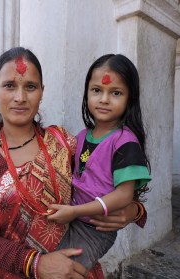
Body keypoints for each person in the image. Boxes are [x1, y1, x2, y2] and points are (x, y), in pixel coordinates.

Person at [0, 47, 147, 279]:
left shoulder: (63, 143)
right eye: (9, 86)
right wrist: (35, 263)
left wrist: (133, 210)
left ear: (42, 92)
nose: (20, 97)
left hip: (74, 270)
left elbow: (108, 182)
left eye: (30, 87)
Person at [47, 54, 151, 270]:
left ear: (130, 99)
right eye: (97, 90)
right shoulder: (82, 136)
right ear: (86, 93)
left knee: (65, 271)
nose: (104, 99)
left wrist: (75, 211)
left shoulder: (124, 141)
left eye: (116, 93)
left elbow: (124, 195)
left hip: (95, 230)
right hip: (73, 220)